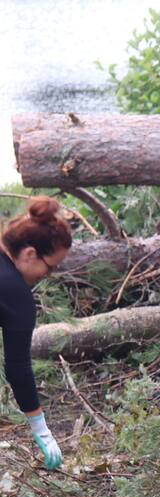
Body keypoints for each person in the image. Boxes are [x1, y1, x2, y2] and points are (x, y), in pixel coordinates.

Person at [1, 196, 73, 471]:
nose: (49, 275)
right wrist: (41, 429)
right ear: (30, 253)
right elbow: (18, 368)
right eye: (50, 267)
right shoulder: (16, 295)